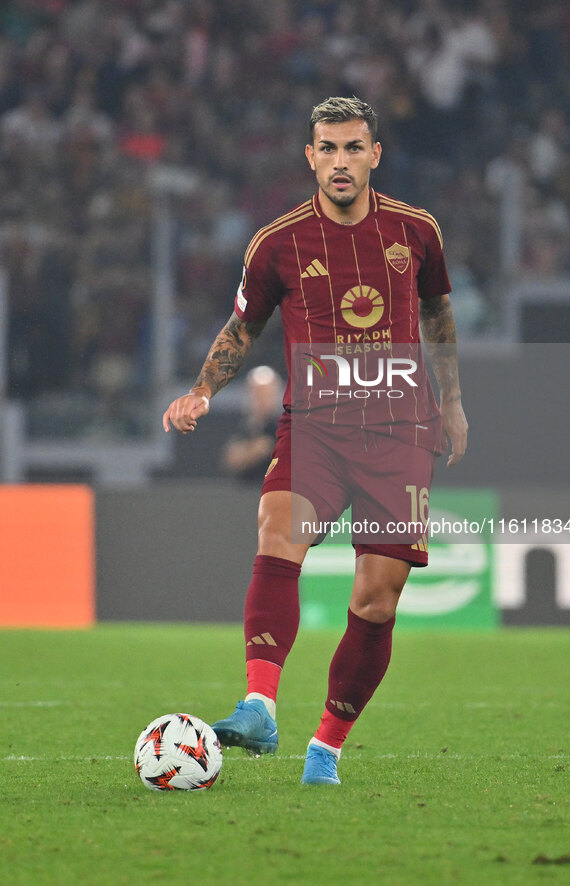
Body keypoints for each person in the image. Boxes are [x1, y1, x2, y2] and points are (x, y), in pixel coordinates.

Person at [163, 96, 468, 785]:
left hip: (398, 429)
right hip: (317, 427)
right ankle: (258, 704)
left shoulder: (416, 231)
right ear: (309, 156)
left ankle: (325, 746)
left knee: (375, 599)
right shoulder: (277, 243)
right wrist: (202, 390)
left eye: (351, 147)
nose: (338, 160)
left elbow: (438, 309)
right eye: (326, 148)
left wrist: (451, 402)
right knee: (276, 528)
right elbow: (242, 327)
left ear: (374, 155)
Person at [221, 365, 282, 482]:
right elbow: (231, 460)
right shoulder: (238, 424)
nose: (262, 400)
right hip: (242, 494)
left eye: (267, 394)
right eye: (258, 394)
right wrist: (254, 451)